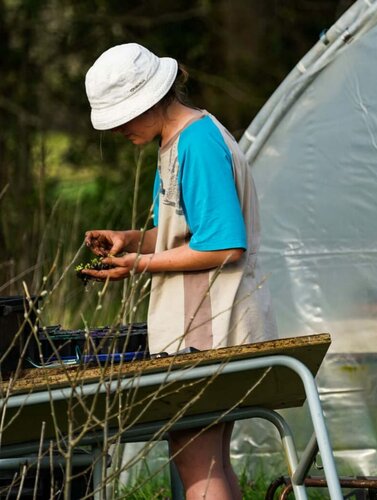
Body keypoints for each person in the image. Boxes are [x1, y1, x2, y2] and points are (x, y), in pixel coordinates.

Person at [82, 43, 277, 499]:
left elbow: (225, 245)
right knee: (205, 464)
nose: (118, 130)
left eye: (122, 117)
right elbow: (185, 232)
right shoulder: (174, 143)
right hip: (199, 327)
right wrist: (131, 240)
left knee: (196, 465)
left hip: (208, 328)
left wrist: (138, 265)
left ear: (150, 99)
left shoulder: (198, 142)